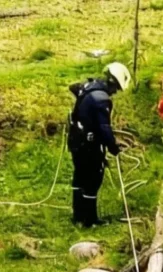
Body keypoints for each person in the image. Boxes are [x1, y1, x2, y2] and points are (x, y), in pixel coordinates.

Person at [68, 62, 131, 227]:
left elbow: (73, 87)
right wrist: (113, 147)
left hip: (76, 140)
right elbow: (104, 128)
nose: (115, 92)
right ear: (113, 83)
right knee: (92, 180)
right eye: (116, 88)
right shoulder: (101, 100)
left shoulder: (87, 87)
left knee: (79, 177)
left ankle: (78, 216)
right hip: (89, 145)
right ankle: (90, 220)